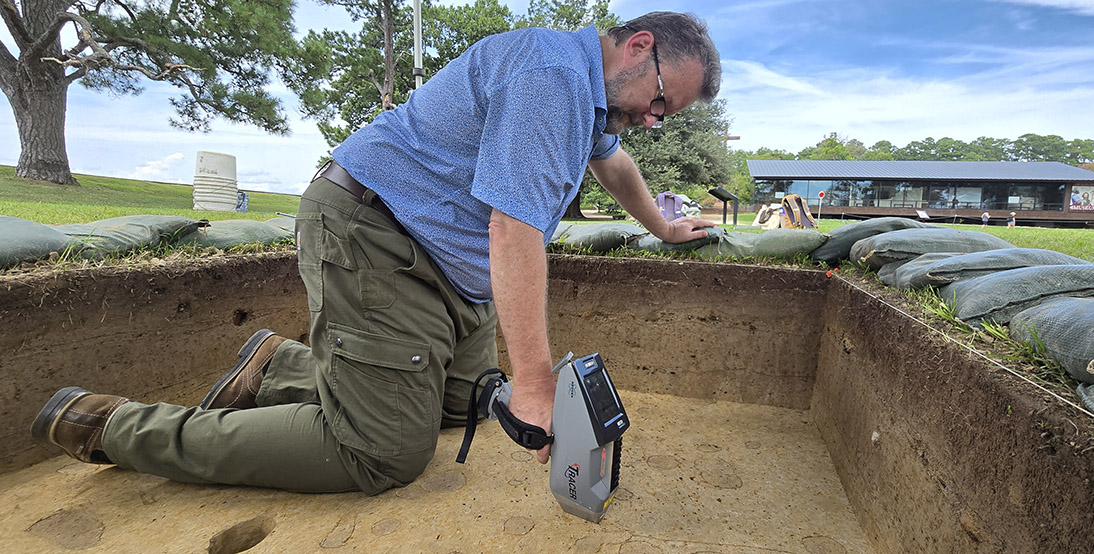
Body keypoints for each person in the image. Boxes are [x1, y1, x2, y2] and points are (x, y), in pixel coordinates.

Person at [31, 12, 721, 495]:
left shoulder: (595, 101)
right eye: (661, 103)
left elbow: (614, 163)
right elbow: (514, 231)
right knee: (381, 451)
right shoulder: (552, 78)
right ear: (638, 46)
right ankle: (114, 425)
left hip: (442, 263)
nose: (654, 121)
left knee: (472, 401)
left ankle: (277, 367)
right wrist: (538, 387)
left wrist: (662, 226)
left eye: (666, 117)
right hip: (375, 234)